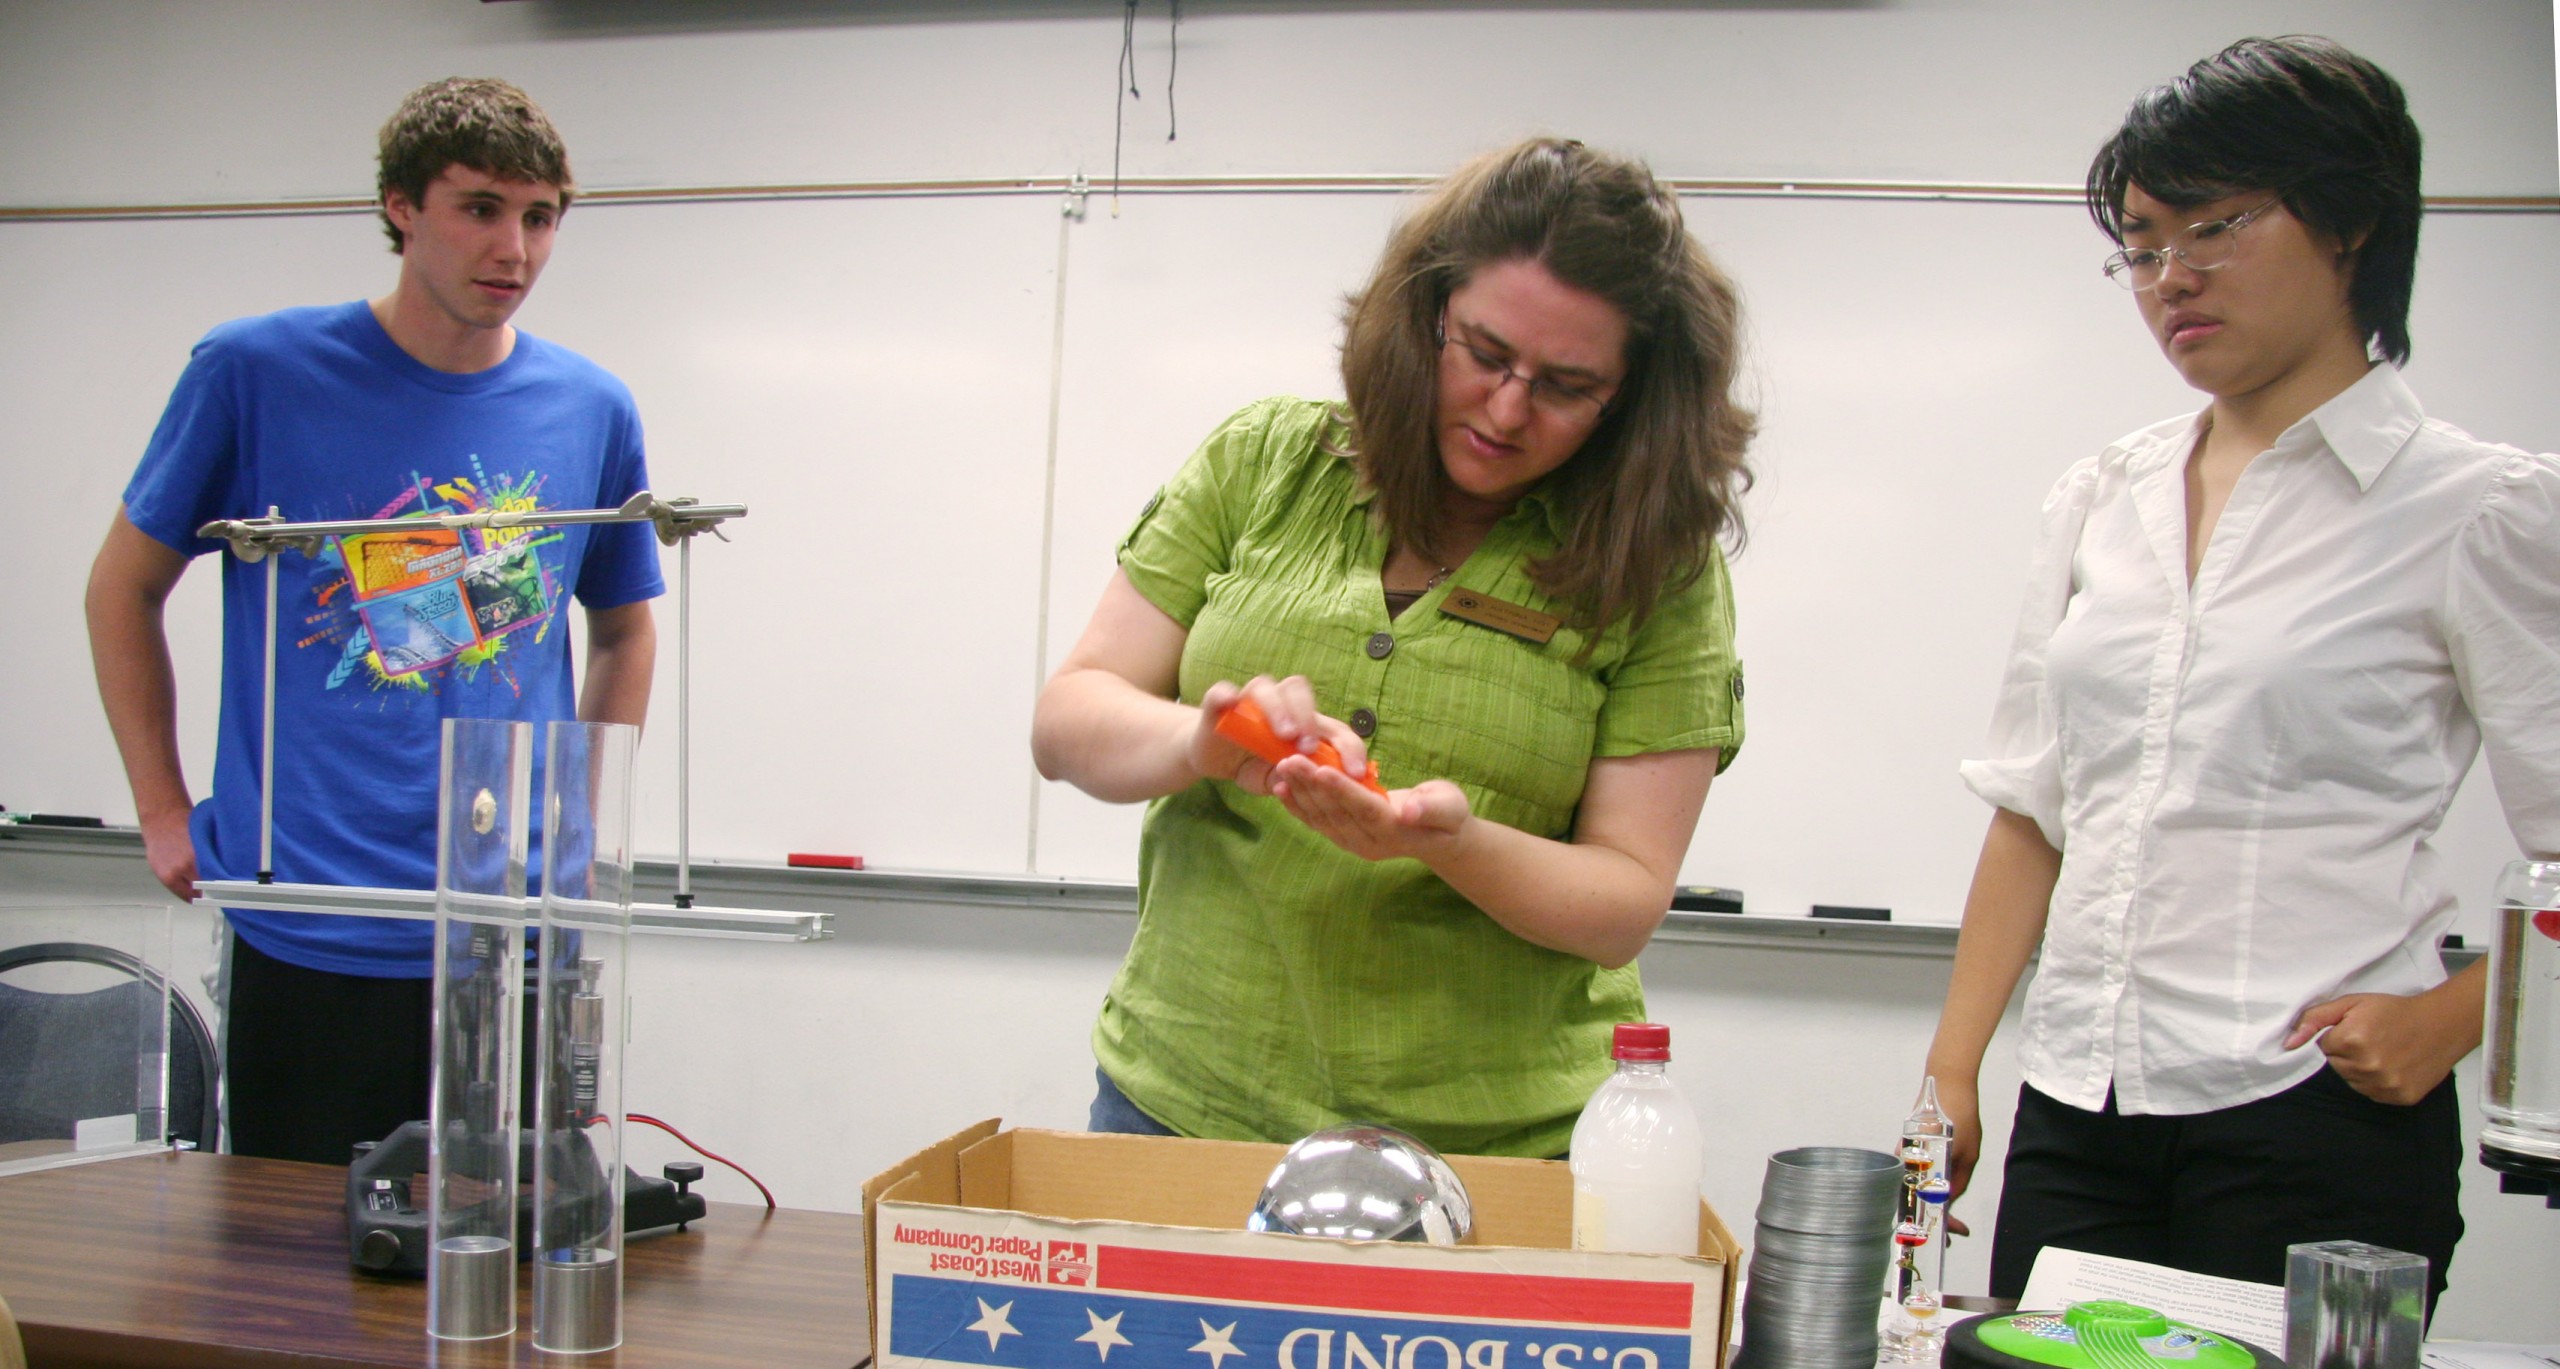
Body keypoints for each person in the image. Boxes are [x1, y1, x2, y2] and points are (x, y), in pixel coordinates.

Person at [1923, 37, 2560, 1310]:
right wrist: (1952, 1069)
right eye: (2143, 246)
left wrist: (2449, 1020)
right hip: (2079, 1104)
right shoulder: (2101, 496)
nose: (2171, 280)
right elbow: (2033, 809)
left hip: (2313, 1119)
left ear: (2351, 224)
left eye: (2213, 228)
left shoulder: (2474, 508)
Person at [1031, 138, 1753, 1159]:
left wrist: (1444, 845)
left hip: (1489, 1149)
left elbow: (1623, 899)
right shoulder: (1266, 461)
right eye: (1486, 354)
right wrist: (1201, 742)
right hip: (1186, 1103)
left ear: (1632, 397)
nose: (1507, 411)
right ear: (1427, 315)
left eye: (1565, 385)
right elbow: (1069, 719)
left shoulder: (1657, 567)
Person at [84, 78, 664, 1164]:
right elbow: (121, 587)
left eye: (542, 218)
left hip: (508, 934)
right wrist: (161, 811)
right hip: (312, 915)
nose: (516, 249)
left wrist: (582, 827)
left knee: (499, 1273)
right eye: (480, 208)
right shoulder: (254, 373)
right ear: (401, 206)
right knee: (288, 1283)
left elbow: (624, 628)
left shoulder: (592, 407)